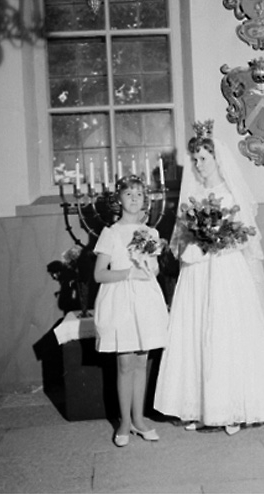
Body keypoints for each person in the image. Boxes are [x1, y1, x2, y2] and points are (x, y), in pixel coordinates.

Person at [154, 120, 264, 435]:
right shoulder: (193, 196)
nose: (198, 164)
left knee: (225, 333)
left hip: (225, 270)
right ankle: (200, 407)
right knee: (197, 332)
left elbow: (244, 237)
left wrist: (216, 242)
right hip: (198, 273)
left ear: (217, 159)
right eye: (195, 159)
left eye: (203, 158)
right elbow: (183, 237)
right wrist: (193, 245)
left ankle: (232, 409)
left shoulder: (230, 193)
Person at [94, 175, 169, 447]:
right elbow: (99, 274)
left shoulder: (151, 233)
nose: (134, 198)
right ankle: (124, 422)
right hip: (120, 300)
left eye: (139, 194)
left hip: (145, 300)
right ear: (119, 200)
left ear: (145, 200)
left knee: (141, 361)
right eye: (128, 194)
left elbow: (154, 270)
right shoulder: (111, 233)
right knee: (125, 363)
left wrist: (148, 265)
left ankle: (139, 419)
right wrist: (128, 273)